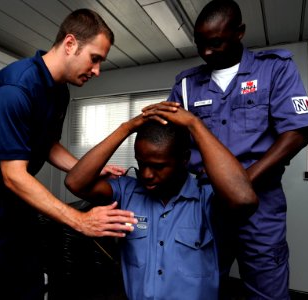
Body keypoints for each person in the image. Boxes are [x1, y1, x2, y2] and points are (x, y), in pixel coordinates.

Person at [0, 9, 137, 300]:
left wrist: (87, 168)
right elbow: (13, 175)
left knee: (26, 284)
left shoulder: (60, 91)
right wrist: (80, 220)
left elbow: (46, 144)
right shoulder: (15, 87)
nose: (97, 70)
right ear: (70, 44)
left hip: (18, 196)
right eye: (95, 58)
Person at [161, 0, 308, 298]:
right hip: (205, 203)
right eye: (200, 44)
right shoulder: (185, 85)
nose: (206, 52)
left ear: (239, 33)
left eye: (215, 43)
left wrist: (244, 182)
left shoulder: (275, 69)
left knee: (267, 290)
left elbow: (298, 131)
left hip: (261, 200)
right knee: (199, 285)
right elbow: (169, 143)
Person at [65, 104, 258, 300]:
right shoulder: (126, 192)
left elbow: (243, 199)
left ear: (184, 159)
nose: (147, 174)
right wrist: (126, 128)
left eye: (158, 166)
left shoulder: (206, 198)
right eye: (141, 163)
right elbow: (75, 182)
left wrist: (194, 124)